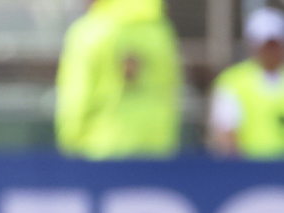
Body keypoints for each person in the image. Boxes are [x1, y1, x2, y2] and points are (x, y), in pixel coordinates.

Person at [55, 0, 182, 159]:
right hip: (156, 148)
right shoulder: (160, 32)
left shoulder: (88, 32)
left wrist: (71, 143)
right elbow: (170, 90)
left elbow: (77, 96)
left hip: (99, 148)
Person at [209, 7, 284, 158]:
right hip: (250, 170)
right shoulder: (233, 81)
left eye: (274, 44)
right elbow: (226, 135)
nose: (270, 50)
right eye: (265, 44)